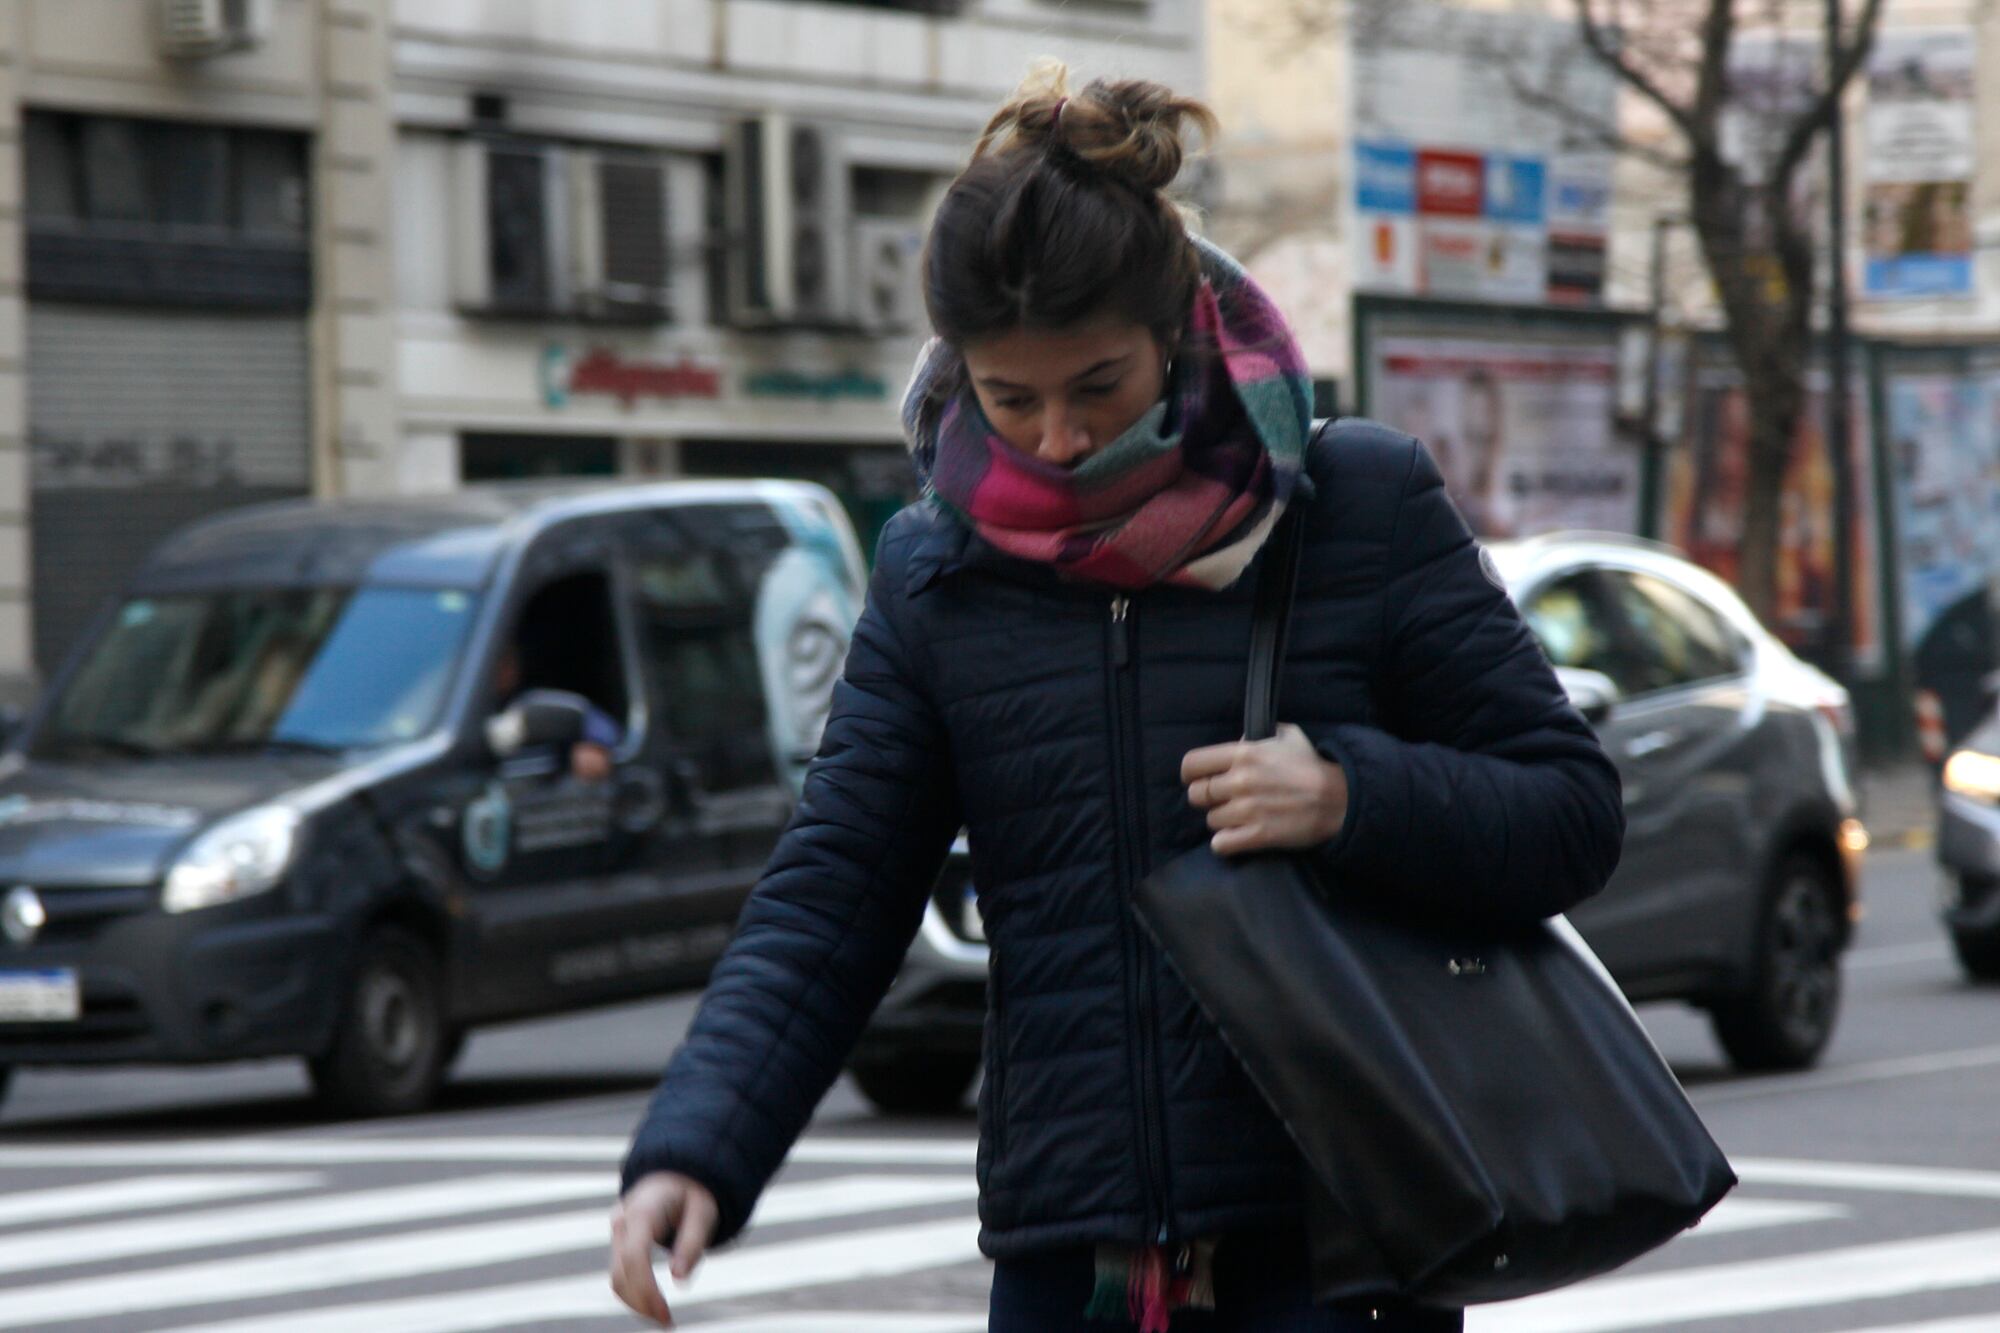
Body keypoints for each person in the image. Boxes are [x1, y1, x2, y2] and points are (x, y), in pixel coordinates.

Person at [610, 64, 1623, 1332]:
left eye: (1097, 387)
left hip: (1338, 1244)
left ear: (1179, 329)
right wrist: (691, 1147)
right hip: (1067, 1254)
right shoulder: (936, 573)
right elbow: (833, 893)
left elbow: (1572, 812)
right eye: (1008, 397)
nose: (1053, 440)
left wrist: (1348, 795)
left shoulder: (1355, 504)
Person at [490, 639, 620, 782]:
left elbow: (599, 725)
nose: (503, 668)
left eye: (507, 660)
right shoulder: (465, 710)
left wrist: (594, 746)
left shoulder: (528, 702)